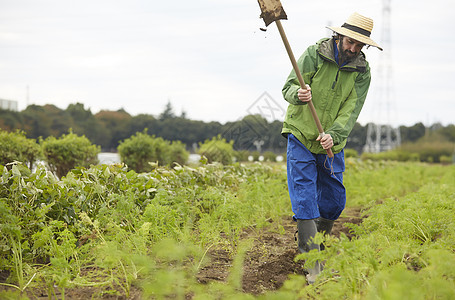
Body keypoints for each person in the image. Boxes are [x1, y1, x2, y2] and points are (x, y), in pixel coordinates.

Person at [281, 12, 382, 284]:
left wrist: (334, 135)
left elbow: (351, 110)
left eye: (360, 46)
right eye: (350, 42)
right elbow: (289, 87)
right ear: (339, 36)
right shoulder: (315, 54)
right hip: (301, 133)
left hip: (331, 142)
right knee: (304, 193)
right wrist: (299, 95)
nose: (353, 49)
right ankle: (312, 260)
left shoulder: (362, 71)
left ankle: (319, 242)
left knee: (334, 199)